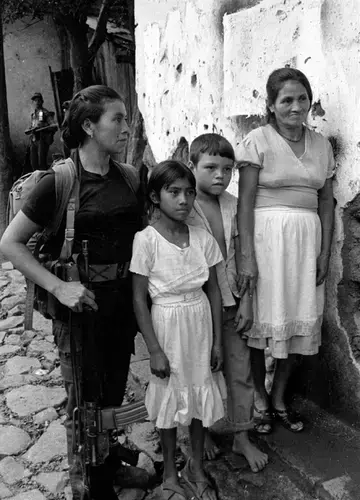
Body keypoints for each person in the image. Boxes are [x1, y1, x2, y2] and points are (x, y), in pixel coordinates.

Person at [1, 85, 147, 499]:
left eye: (125, 118)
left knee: (114, 394)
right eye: (116, 119)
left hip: (122, 306)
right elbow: (9, 244)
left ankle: (112, 467)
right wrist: (59, 286)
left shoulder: (130, 177)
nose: (125, 127)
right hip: (80, 311)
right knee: (84, 404)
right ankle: (91, 488)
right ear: (88, 125)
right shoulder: (58, 181)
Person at [236, 68, 335, 434]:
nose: (296, 107)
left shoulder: (321, 145)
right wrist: (246, 256)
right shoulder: (257, 141)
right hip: (266, 242)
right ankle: (259, 401)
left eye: (302, 98)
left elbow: (326, 200)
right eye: (287, 100)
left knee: (298, 320)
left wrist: (324, 252)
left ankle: (278, 398)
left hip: (306, 242)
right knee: (261, 323)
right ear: (272, 105)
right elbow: (245, 204)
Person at [131, 160, 224, 500]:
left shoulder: (202, 239)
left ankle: (196, 466)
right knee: (169, 401)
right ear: (156, 196)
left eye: (188, 192)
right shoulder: (146, 241)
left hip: (199, 325)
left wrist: (216, 343)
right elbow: (139, 300)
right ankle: (170, 471)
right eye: (174, 192)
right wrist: (154, 349)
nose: (184, 200)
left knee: (199, 396)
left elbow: (214, 290)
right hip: (167, 326)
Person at [187, 133, 268, 472]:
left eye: (227, 169)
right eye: (210, 168)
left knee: (240, 370)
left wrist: (247, 302)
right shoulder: (181, 205)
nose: (219, 175)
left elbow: (244, 257)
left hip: (233, 299)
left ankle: (241, 434)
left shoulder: (234, 204)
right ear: (192, 166)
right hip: (195, 305)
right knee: (198, 371)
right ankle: (199, 432)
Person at [25, 92, 57, 170]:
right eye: (35, 101)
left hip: (42, 139)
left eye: (38, 100)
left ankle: (44, 180)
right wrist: (29, 129)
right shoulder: (33, 114)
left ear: (42, 101)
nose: (37, 102)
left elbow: (54, 126)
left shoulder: (44, 113)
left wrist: (43, 127)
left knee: (41, 163)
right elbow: (31, 126)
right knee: (33, 163)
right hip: (33, 140)